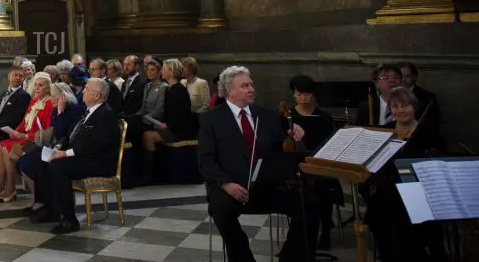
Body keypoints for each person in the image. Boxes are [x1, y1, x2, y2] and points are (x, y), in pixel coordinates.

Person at [198, 66, 318, 262]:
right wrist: (226, 184)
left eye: (251, 84)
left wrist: (294, 131)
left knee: (310, 204)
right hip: (230, 187)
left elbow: (285, 138)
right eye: (245, 86)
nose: (251, 89)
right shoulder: (211, 119)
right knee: (220, 209)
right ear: (229, 90)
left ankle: (291, 258)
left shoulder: (267, 115)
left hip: (266, 186)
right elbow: (205, 160)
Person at [32, 78, 122, 235]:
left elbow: (95, 145)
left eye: (86, 89)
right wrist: (59, 147)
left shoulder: (106, 115)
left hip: (98, 162)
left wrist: (65, 154)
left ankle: (69, 220)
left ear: (97, 95)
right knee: (40, 160)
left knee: (58, 167)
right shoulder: (88, 112)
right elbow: (70, 135)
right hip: (83, 157)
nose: (83, 91)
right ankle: (52, 209)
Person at [366, 87, 445, 261]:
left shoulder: (428, 133)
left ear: (414, 107)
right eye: (395, 106)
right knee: (380, 210)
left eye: (405, 105)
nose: (400, 110)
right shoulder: (384, 132)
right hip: (389, 191)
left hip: (420, 193)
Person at [287, 75, 340, 250]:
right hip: (296, 165)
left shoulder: (323, 117)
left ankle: (325, 228)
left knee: (322, 185)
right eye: (299, 94)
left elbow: (330, 143)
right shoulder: (287, 116)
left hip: (319, 163)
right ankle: (299, 233)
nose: (304, 98)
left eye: (307, 94)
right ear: (293, 94)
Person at [17, 83, 82, 215]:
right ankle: (40, 199)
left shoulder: (74, 110)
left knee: (35, 162)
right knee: (24, 160)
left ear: (63, 97)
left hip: (65, 149)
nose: (51, 99)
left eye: (53, 96)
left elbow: (60, 132)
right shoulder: (56, 110)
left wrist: (60, 112)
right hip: (53, 146)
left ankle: (47, 203)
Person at [0, 72, 54, 203]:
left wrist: (23, 135)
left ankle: (11, 188)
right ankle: (1, 186)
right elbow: (24, 122)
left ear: (48, 87)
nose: (36, 88)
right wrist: (15, 132)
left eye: (40, 85)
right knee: (1, 145)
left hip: (36, 140)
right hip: (25, 136)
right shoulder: (34, 100)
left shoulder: (50, 104)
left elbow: (46, 132)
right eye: (35, 85)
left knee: (8, 147)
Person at [141, 58, 197, 183]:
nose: (162, 71)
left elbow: (181, 115)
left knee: (148, 136)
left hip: (179, 130)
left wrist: (166, 125)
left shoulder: (179, 90)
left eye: (165, 69)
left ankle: (149, 175)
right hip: (170, 126)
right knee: (146, 133)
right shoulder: (169, 89)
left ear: (171, 72)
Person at [395, 62, 441, 142]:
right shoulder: (390, 94)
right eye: (400, 76)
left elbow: (432, 126)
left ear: (414, 77)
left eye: (407, 76)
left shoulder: (427, 97)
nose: (403, 80)